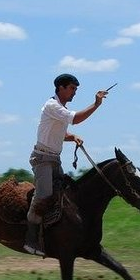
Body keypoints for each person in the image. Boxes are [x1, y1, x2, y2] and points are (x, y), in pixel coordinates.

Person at [23, 74, 108, 256]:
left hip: (54, 159)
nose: (74, 92)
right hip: (42, 159)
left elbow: (57, 133)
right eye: (72, 88)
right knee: (44, 195)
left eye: (75, 89)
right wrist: (96, 104)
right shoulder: (52, 105)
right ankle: (30, 239)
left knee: (66, 192)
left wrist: (72, 137)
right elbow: (75, 119)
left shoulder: (59, 109)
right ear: (60, 88)